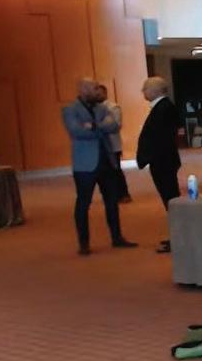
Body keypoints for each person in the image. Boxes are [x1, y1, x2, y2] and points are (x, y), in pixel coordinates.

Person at [62, 77, 136, 255]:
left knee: (112, 202)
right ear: (83, 90)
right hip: (84, 165)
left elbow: (115, 125)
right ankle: (84, 243)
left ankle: (117, 237)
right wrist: (101, 129)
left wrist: (93, 126)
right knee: (83, 203)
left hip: (107, 161)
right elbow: (76, 131)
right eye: (94, 88)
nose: (98, 91)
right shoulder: (70, 110)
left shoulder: (102, 107)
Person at [137, 76, 182, 253]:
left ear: (155, 90)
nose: (143, 91)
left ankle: (178, 237)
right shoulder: (163, 107)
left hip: (163, 161)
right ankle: (176, 236)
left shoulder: (164, 109)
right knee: (169, 199)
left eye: (145, 88)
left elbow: (160, 138)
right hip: (164, 160)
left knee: (171, 200)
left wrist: (149, 156)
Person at [95, 83, 131, 203]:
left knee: (115, 170)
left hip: (112, 145)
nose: (97, 95)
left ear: (105, 93)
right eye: (96, 93)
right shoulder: (93, 108)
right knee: (104, 172)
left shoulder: (113, 107)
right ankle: (112, 195)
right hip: (99, 146)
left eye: (99, 93)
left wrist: (97, 126)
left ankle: (124, 194)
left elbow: (116, 125)